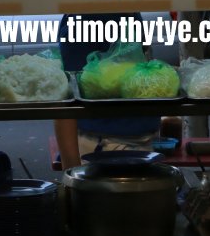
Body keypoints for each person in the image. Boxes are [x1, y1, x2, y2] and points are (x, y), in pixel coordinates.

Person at [53, 12, 161, 170]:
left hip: (143, 142)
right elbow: (66, 99)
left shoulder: (130, 10)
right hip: (102, 147)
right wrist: (71, 171)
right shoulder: (82, 20)